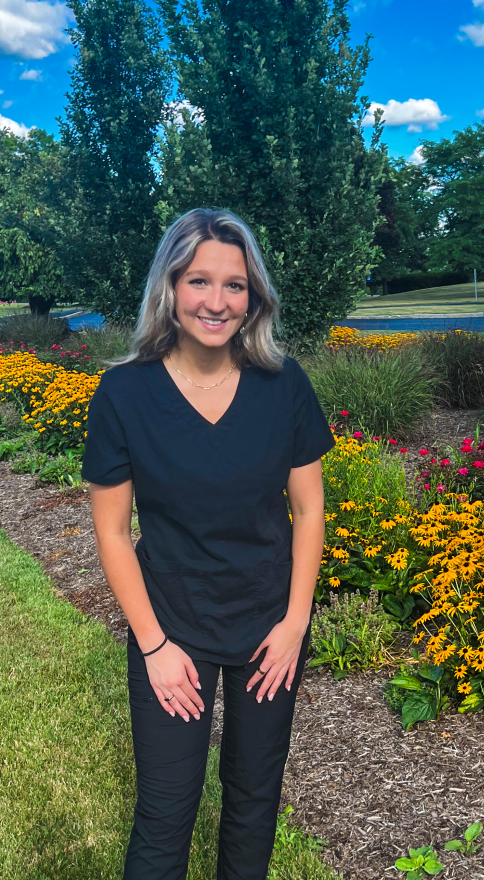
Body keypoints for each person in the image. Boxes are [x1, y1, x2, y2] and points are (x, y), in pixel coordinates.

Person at [80, 207, 336, 880]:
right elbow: (112, 530)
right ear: (170, 287)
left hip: (268, 628)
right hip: (172, 626)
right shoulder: (123, 394)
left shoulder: (286, 385)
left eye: (235, 285)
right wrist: (154, 646)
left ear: (254, 297)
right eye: (199, 282)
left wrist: (294, 623)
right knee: (166, 814)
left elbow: (309, 512)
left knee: (253, 801)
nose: (217, 302)